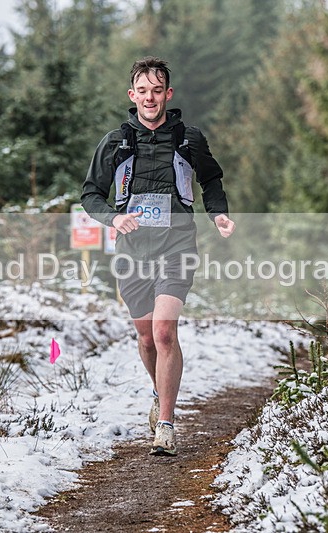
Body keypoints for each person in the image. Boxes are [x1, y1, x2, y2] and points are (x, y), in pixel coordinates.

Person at [81, 57, 234, 456]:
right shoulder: (115, 142)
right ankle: (158, 391)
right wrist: (114, 219)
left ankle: (165, 425)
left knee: (165, 331)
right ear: (133, 96)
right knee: (147, 338)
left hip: (177, 244)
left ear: (168, 94)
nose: (150, 98)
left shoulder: (189, 138)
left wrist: (218, 213)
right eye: (142, 91)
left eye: (157, 90)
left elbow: (210, 179)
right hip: (132, 250)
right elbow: (90, 194)